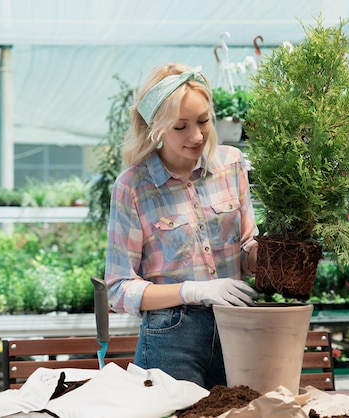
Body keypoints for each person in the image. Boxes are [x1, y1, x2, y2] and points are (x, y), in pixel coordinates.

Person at [104, 62, 259, 390]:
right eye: (180, 127)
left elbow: (249, 250)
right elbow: (118, 288)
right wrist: (194, 290)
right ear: (155, 127)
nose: (197, 135)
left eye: (203, 121)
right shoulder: (133, 186)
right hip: (171, 336)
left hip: (238, 327)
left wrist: (272, 249)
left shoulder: (231, 165)